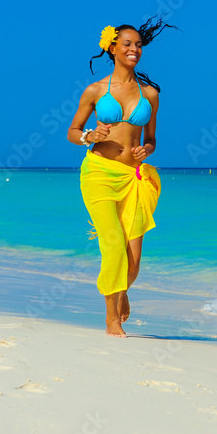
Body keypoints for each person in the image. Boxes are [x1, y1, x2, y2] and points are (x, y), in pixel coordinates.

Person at [68, 19, 171, 337]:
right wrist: (89, 135)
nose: (134, 49)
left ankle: (121, 292)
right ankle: (111, 319)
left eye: (138, 45)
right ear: (111, 48)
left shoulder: (150, 94)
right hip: (98, 173)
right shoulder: (96, 90)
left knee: (134, 261)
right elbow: (72, 132)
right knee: (112, 244)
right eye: (127, 44)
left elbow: (151, 139)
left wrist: (148, 150)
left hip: (134, 177)